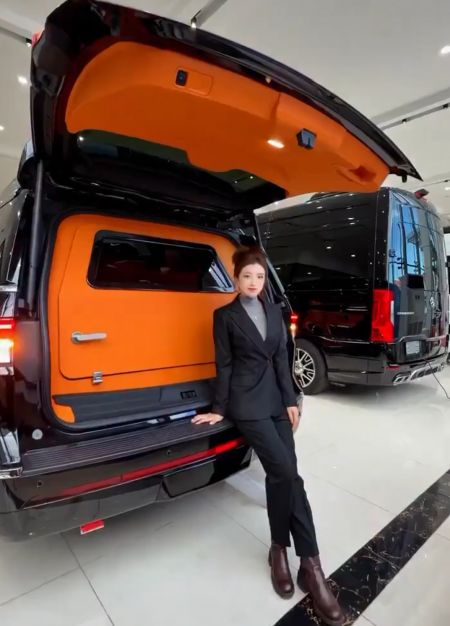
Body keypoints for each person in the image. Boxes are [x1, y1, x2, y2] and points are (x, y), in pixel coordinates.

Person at [193, 246, 344, 626]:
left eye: (259, 277)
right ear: (235, 278)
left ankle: (281, 550)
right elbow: (224, 365)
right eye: (247, 276)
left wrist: (291, 399)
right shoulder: (224, 316)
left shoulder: (275, 311)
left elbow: (280, 358)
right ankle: (311, 566)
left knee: (284, 476)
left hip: (277, 402)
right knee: (287, 473)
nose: (254, 282)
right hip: (247, 404)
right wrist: (219, 408)